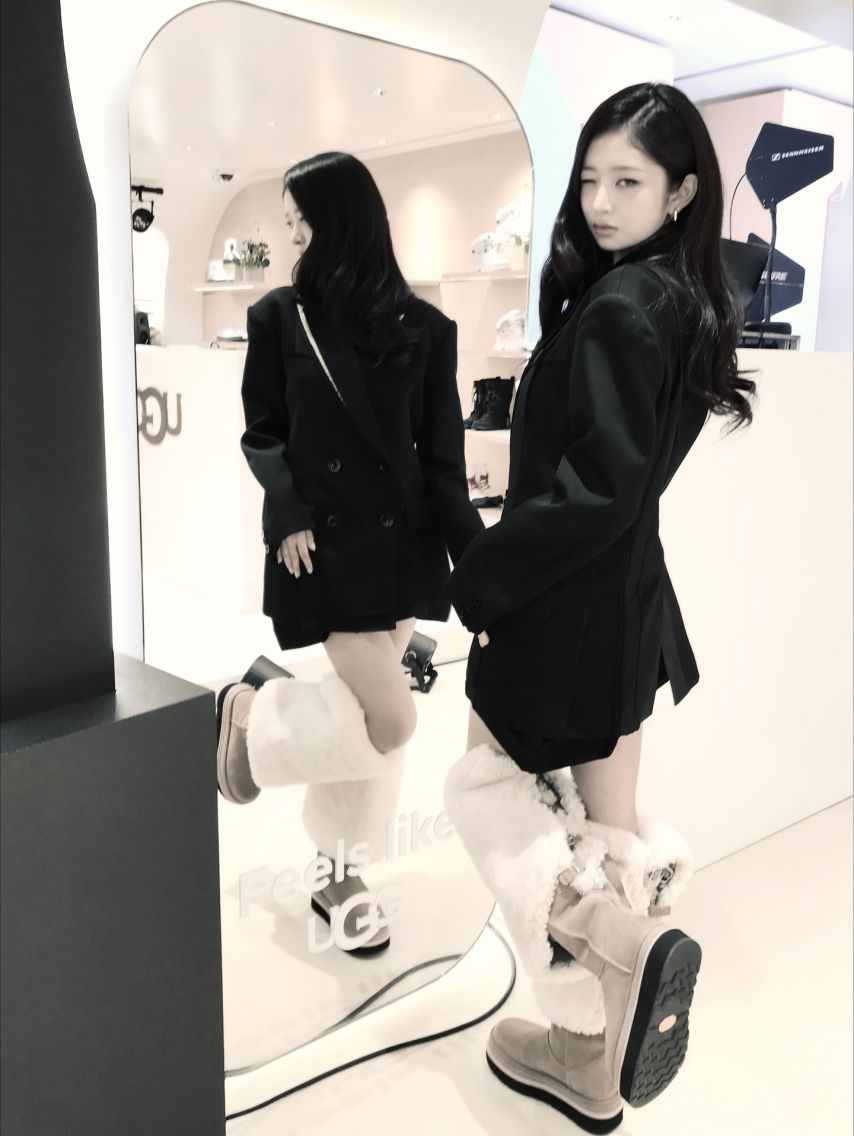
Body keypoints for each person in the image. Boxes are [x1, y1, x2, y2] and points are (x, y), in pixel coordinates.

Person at [443, 83, 755, 1131]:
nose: (601, 202)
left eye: (628, 181)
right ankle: (592, 1048)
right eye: (590, 180)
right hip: (623, 605)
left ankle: (615, 959)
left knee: (487, 790)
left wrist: (482, 575)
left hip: (560, 608)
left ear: (681, 192)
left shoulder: (623, 305)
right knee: (608, 830)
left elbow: (594, 491)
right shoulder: (675, 296)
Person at [216, 152, 483, 954]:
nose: (292, 235)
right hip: (323, 548)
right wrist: (287, 509)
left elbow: (443, 462)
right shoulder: (280, 318)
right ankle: (252, 718)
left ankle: (339, 877)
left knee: (367, 721)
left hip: (402, 551)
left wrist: (480, 570)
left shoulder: (427, 329)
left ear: (343, 220)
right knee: (393, 720)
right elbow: (264, 430)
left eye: (302, 219)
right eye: (288, 221)